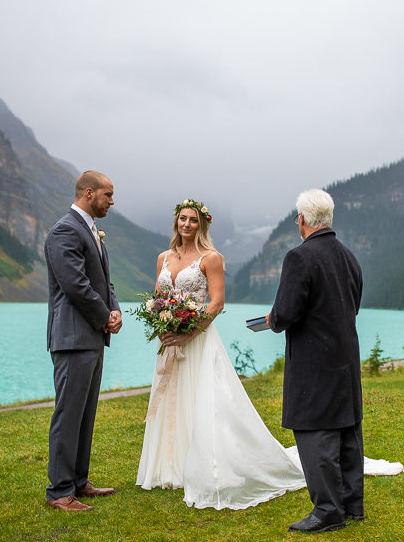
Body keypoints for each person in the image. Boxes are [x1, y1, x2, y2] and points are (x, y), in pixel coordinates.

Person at [136, 199, 307, 509]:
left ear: (202, 225)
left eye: (193, 220)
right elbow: (158, 298)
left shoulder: (211, 258)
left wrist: (189, 331)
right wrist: (160, 323)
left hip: (198, 340)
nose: (186, 225)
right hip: (169, 341)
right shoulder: (162, 258)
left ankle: (207, 464)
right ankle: (170, 467)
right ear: (176, 222)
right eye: (182, 219)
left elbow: (216, 303)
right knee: (172, 397)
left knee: (203, 398)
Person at [266, 188, 365, 533]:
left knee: (316, 433)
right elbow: (353, 303)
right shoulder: (348, 256)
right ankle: (352, 505)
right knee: (346, 430)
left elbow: (286, 312)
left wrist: (273, 319)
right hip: (345, 357)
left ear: (303, 220)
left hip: (313, 362)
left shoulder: (300, 257)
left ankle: (327, 511)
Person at [44, 170, 123, 511]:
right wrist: (103, 315)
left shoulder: (91, 230)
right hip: (73, 337)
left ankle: (78, 481)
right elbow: (75, 284)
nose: (112, 201)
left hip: (91, 336)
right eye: (108, 194)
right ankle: (59, 491)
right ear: (89, 193)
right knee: (68, 412)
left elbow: (104, 282)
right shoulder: (65, 230)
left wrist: (115, 309)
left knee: (85, 413)